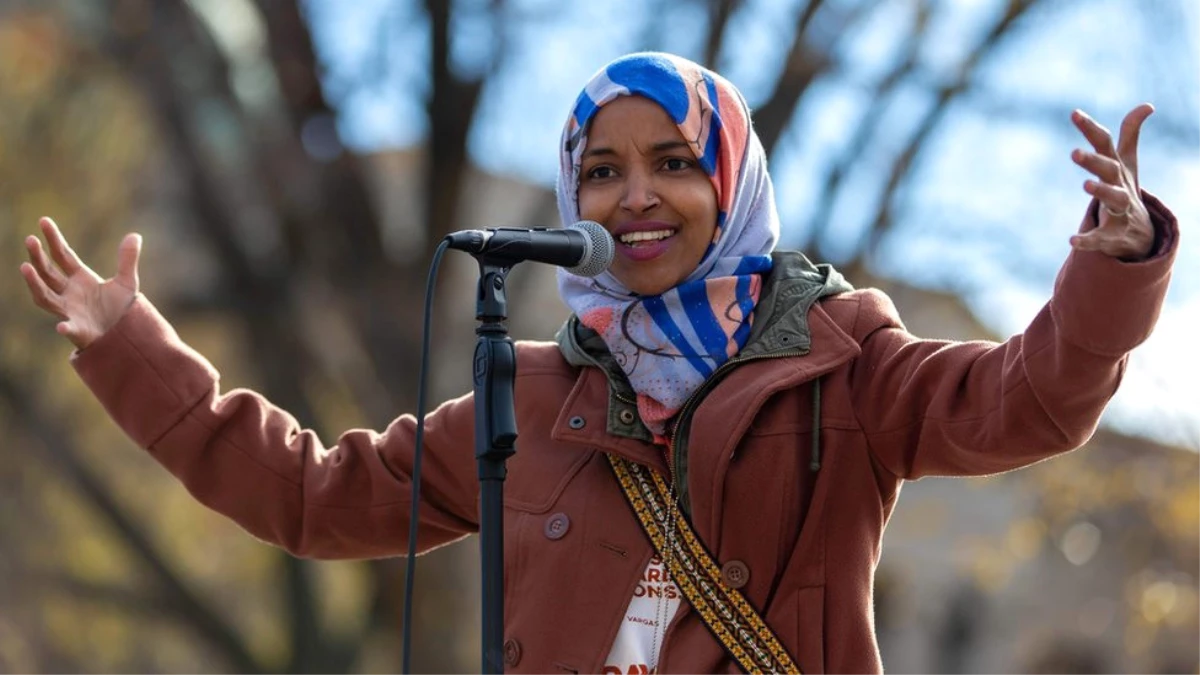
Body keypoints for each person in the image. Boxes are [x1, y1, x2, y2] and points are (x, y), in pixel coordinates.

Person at [19, 52, 1178, 674]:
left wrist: (1113, 265)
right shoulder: (527, 395)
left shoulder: (845, 363)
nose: (634, 196)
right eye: (601, 170)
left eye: (673, 162)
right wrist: (134, 350)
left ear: (732, 187)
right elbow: (314, 496)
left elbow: (1028, 401)